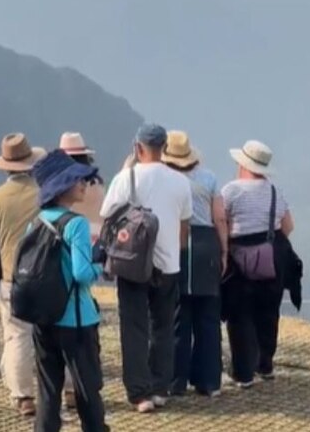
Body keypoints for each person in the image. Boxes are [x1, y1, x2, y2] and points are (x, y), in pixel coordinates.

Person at [99, 124, 192, 413]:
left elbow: (107, 217)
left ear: (138, 148)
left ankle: (139, 394)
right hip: (168, 265)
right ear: (165, 148)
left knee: (134, 327)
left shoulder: (125, 178)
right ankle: (160, 387)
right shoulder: (180, 182)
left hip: (132, 264)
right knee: (163, 327)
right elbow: (184, 226)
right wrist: (172, 252)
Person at [29, 149, 110, 432]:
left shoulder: (37, 220)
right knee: (88, 388)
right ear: (63, 187)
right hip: (77, 318)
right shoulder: (75, 223)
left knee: (48, 390)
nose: (83, 184)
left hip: (43, 317)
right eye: (77, 180)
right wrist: (102, 267)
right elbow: (81, 273)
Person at [220, 140, 301, 389]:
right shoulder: (275, 191)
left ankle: (243, 372)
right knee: (268, 311)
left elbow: (221, 221)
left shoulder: (231, 190)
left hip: (239, 258)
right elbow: (288, 227)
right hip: (271, 258)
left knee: (240, 313)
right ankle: (265, 365)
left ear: (243, 165)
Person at [0, 133, 51, 417]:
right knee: (56, 334)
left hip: (11, 277)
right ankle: (70, 390)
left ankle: (24, 397)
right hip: (48, 275)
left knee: (17, 336)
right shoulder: (47, 193)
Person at [160, 131, 228, 397]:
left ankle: (176, 381)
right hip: (206, 244)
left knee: (179, 315)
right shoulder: (209, 178)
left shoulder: (166, 180)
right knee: (209, 317)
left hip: (176, 243)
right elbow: (220, 218)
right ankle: (209, 381)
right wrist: (224, 251)